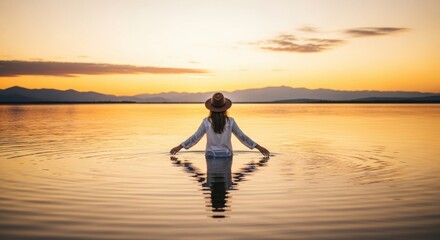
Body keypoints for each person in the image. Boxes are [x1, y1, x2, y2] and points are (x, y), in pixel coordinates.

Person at [170, 92, 270, 157]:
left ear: (211, 108)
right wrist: (259, 147)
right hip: (226, 155)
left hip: (210, 155)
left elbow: (195, 137)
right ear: (225, 108)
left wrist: (179, 147)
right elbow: (242, 136)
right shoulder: (230, 121)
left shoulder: (206, 121)